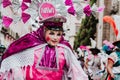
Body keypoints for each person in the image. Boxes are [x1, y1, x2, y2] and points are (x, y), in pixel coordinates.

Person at [0, 15, 88, 80]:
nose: (55, 38)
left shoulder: (64, 49)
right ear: (44, 31)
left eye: (58, 34)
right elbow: (15, 64)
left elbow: (77, 72)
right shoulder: (31, 43)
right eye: (51, 33)